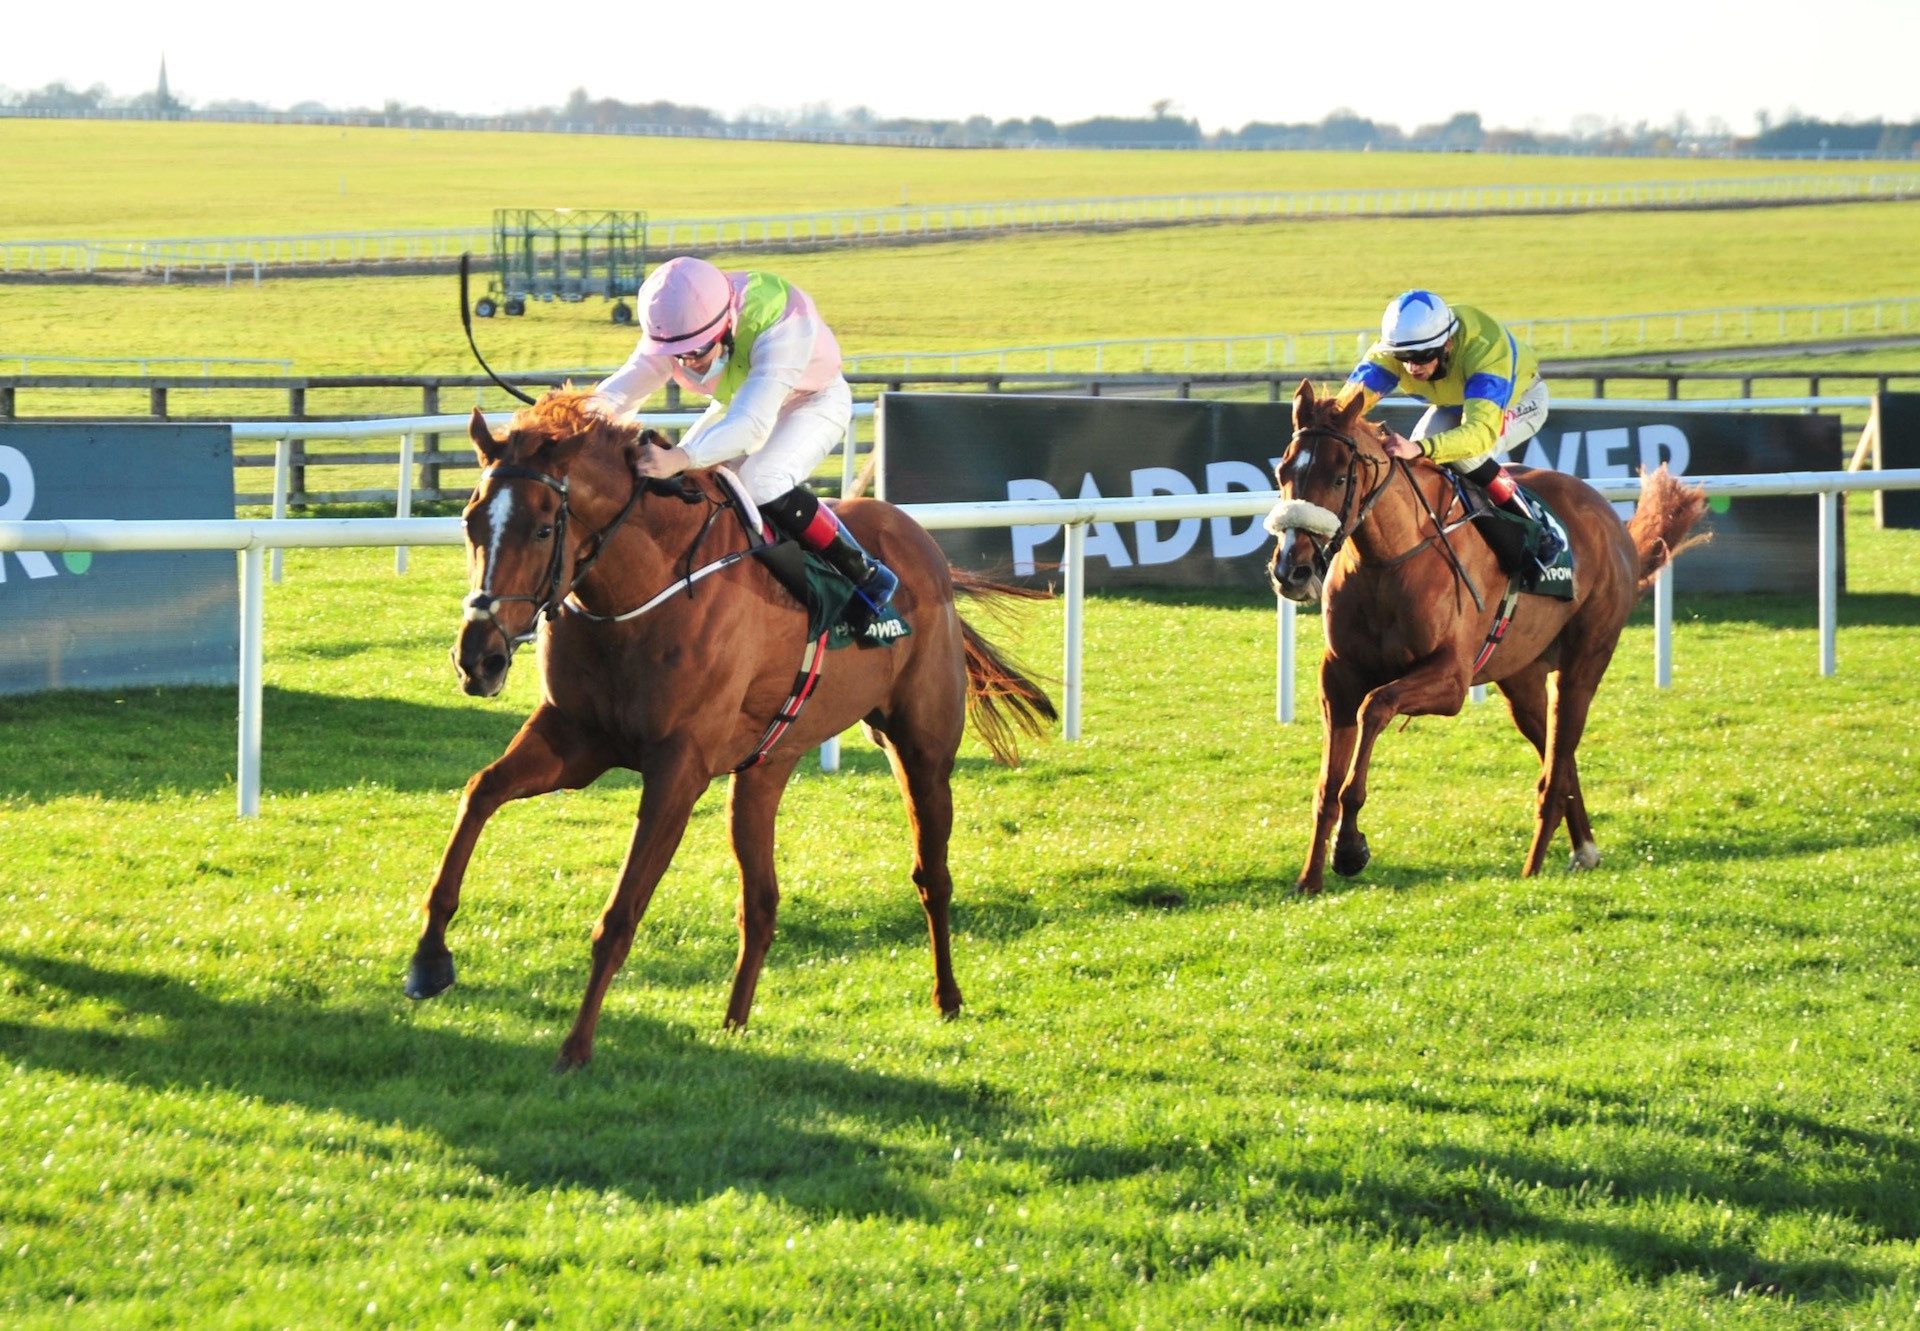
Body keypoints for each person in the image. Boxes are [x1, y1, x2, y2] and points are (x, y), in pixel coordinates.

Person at [588, 255, 898, 623]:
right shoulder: (677, 327)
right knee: (693, 488)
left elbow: (751, 426)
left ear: (727, 325)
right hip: (741, 401)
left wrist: (681, 456)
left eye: (698, 351)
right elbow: (620, 393)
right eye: (676, 355)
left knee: (759, 481)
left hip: (811, 399)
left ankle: (864, 573)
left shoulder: (779, 317)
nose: (687, 363)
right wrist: (567, 418)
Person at [1334, 289, 1561, 573]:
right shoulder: (1398, 346)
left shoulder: (1485, 349)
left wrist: (1421, 448)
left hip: (1519, 399)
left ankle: (1539, 529)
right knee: (1419, 462)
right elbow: (1343, 409)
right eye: (1403, 356)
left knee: (1465, 456)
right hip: (1455, 402)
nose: (1411, 366)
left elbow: (1479, 433)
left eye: (1422, 356)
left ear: (1448, 344)